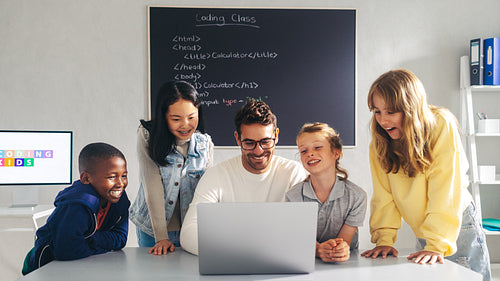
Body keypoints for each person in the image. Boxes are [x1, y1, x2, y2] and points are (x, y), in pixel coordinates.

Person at [361, 69, 491, 281]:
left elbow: (445, 190)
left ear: (410, 107)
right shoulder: (380, 141)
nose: (383, 121)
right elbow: (384, 195)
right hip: (426, 231)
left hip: (456, 227)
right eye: (377, 111)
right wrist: (384, 239)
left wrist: (437, 243)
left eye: (391, 111)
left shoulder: (440, 124)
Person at [180, 100, 307, 255]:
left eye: (266, 141)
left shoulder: (295, 173)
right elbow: (188, 233)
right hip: (231, 261)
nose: (259, 151)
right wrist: (240, 251)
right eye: (249, 143)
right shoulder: (216, 176)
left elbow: (304, 229)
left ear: (276, 135)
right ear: (238, 138)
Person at [129, 80, 213, 255]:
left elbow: (207, 191)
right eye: (176, 119)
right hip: (153, 229)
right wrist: (161, 237)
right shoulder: (147, 136)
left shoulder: (205, 143)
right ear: (163, 116)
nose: (185, 125)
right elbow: (151, 184)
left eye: (191, 117)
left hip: (190, 229)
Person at [22, 142, 130, 275]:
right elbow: (66, 251)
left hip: (82, 264)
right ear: (86, 178)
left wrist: (88, 240)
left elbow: (120, 239)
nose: (120, 183)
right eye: (112, 177)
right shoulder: (78, 204)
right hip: (45, 267)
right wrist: (101, 243)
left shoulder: (120, 200)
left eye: (124, 175)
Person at [286, 122, 366, 263]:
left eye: (317, 147)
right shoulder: (293, 197)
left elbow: (343, 242)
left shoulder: (357, 196)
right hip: (307, 263)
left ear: (336, 152)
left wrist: (340, 248)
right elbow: (300, 237)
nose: (310, 153)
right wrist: (318, 249)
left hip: (345, 265)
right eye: (303, 151)